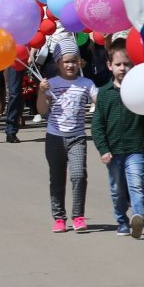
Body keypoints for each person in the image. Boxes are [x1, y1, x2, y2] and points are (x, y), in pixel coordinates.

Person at [92, 46, 144, 238]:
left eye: (126, 64)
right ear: (109, 66)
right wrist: (103, 149)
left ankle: (138, 217)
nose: (122, 68)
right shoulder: (104, 93)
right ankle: (122, 221)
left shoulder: (139, 91)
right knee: (117, 190)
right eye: (118, 64)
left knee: (136, 184)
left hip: (136, 149)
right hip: (113, 151)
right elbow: (97, 125)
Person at [38, 47, 97, 232]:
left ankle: (78, 216)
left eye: (73, 61)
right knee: (57, 179)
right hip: (54, 138)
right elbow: (41, 110)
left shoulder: (86, 83)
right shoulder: (51, 84)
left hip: (77, 138)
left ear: (80, 62)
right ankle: (59, 218)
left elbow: (100, 102)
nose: (70, 65)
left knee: (79, 175)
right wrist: (41, 92)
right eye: (66, 61)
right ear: (58, 64)